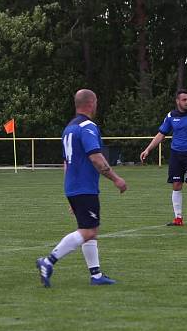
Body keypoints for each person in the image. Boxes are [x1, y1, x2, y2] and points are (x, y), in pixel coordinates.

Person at [35, 89, 127, 288]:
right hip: (84, 187)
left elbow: (67, 163)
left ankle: (96, 275)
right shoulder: (87, 127)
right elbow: (96, 158)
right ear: (91, 103)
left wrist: (70, 193)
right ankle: (48, 261)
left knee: (90, 230)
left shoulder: (68, 128)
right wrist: (116, 179)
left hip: (75, 187)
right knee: (88, 231)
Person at [140, 89, 187, 226]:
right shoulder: (170, 116)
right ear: (177, 101)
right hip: (176, 155)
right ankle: (178, 218)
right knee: (176, 185)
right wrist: (148, 149)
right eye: (184, 100)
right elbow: (161, 134)